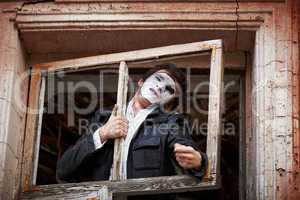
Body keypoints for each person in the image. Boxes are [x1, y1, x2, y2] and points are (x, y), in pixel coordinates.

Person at [56, 64, 208, 199]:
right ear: (141, 82)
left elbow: (185, 147)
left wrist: (198, 162)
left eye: (169, 90)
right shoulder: (103, 117)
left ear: (168, 101)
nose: (161, 87)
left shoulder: (171, 123)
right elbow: (64, 170)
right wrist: (102, 134)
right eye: (159, 79)